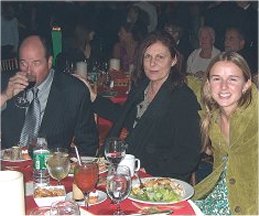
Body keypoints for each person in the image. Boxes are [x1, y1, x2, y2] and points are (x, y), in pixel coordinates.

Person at [79, 31, 201, 182]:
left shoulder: (182, 98)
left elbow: (188, 155)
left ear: (174, 60)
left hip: (157, 177)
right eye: (147, 56)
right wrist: (93, 98)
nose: (152, 63)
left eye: (160, 57)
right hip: (130, 166)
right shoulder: (142, 87)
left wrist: (150, 171)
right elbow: (125, 116)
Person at [1, 34, 98, 156]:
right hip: (8, 168)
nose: (28, 71)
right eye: (23, 63)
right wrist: (4, 96)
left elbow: (88, 144)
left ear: (49, 62)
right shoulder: (6, 83)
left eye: (36, 63)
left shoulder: (73, 91)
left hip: (50, 168)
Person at [193, 52, 258, 215]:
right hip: (221, 194)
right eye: (216, 79)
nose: (223, 86)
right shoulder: (213, 119)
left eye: (232, 79)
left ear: (246, 85)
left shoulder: (255, 116)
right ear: (208, 84)